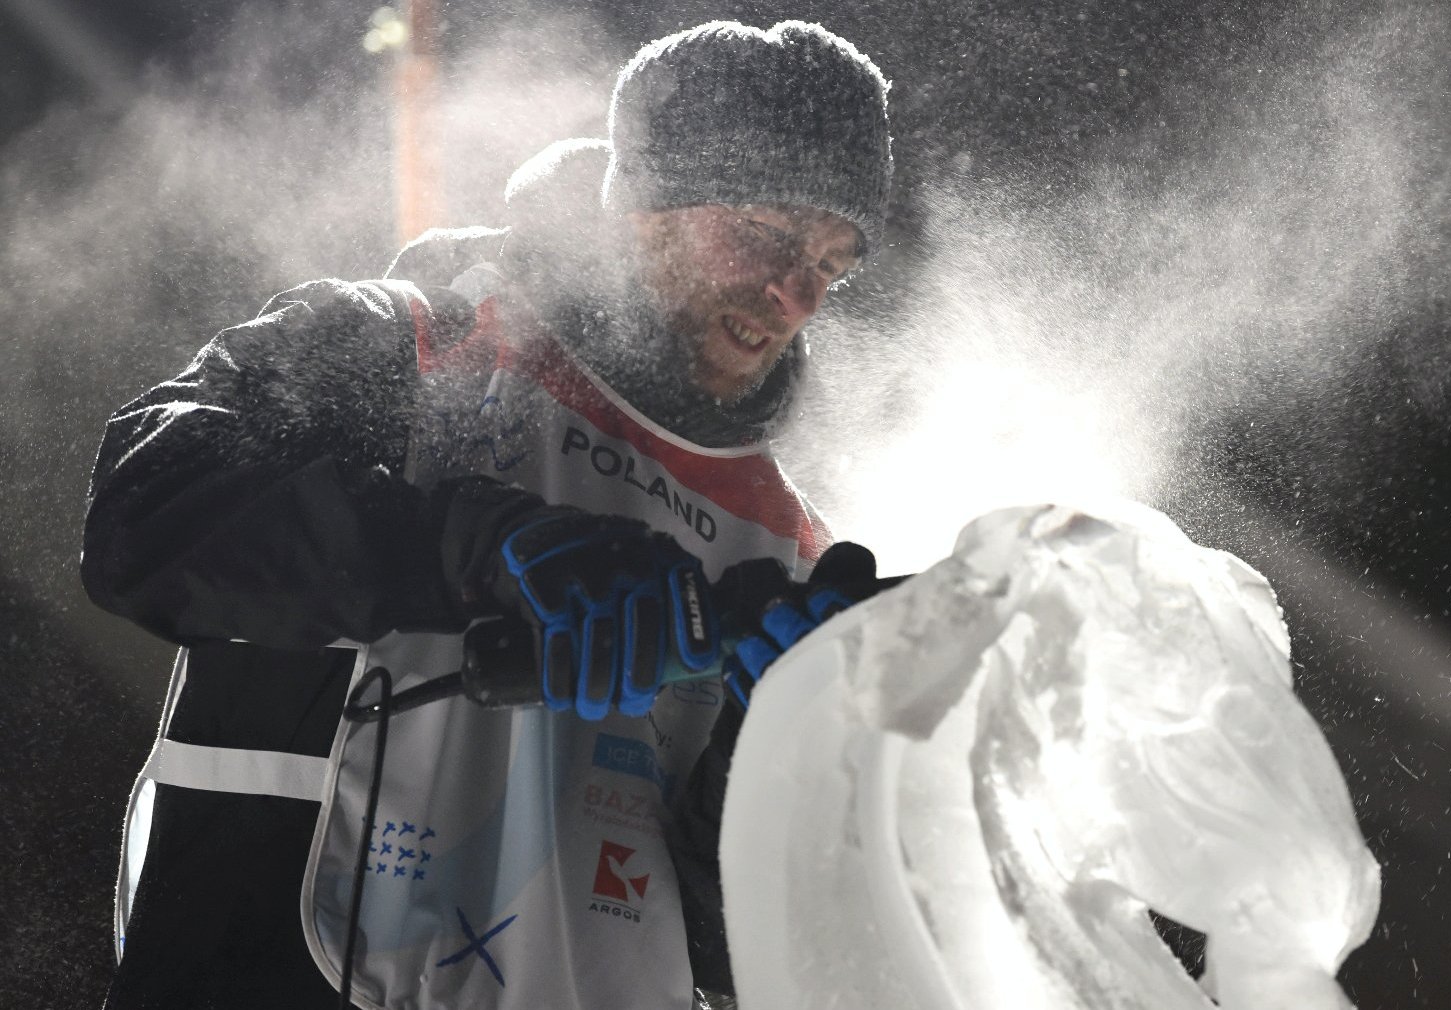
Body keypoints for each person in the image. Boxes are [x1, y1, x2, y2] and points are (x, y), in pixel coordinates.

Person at [82, 20, 892, 1010]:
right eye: (767, 235)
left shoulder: (789, 540)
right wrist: (475, 541)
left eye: (832, 263)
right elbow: (141, 511)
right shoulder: (411, 348)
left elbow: (729, 950)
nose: (796, 292)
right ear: (644, 201)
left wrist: (772, 754)